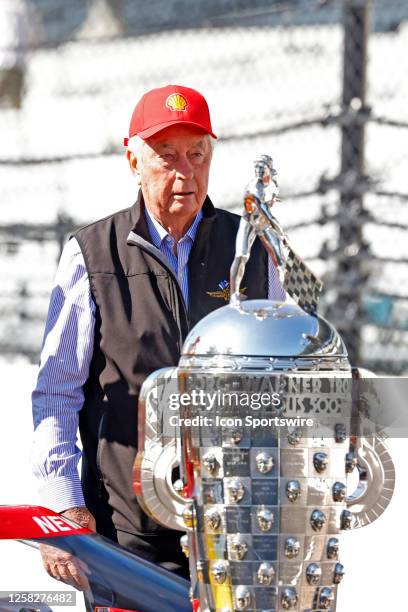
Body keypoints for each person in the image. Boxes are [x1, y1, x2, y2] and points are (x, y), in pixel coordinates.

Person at [31, 84, 286, 591]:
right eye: (166, 156)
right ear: (133, 160)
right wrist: (62, 505)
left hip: (236, 529)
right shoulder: (92, 254)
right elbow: (56, 393)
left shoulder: (254, 252)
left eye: (197, 155)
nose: (184, 172)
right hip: (126, 536)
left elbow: (282, 377)